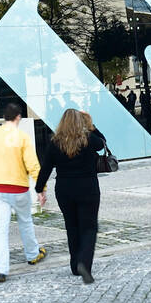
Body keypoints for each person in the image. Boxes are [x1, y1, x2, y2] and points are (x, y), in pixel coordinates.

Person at [35, 108, 105, 284]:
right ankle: (84, 263)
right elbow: (103, 143)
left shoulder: (55, 142)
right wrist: (91, 125)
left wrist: (39, 189)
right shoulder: (89, 139)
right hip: (87, 187)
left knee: (72, 226)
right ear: (81, 123)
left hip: (65, 189)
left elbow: (45, 168)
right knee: (89, 228)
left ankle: (75, 265)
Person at [0, 102, 47, 283]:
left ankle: (1, 269)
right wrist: (41, 189)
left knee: (0, 229)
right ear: (18, 117)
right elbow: (33, 165)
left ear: (5, 117)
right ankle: (32, 254)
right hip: (19, 187)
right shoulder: (22, 137)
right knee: (25, 221)